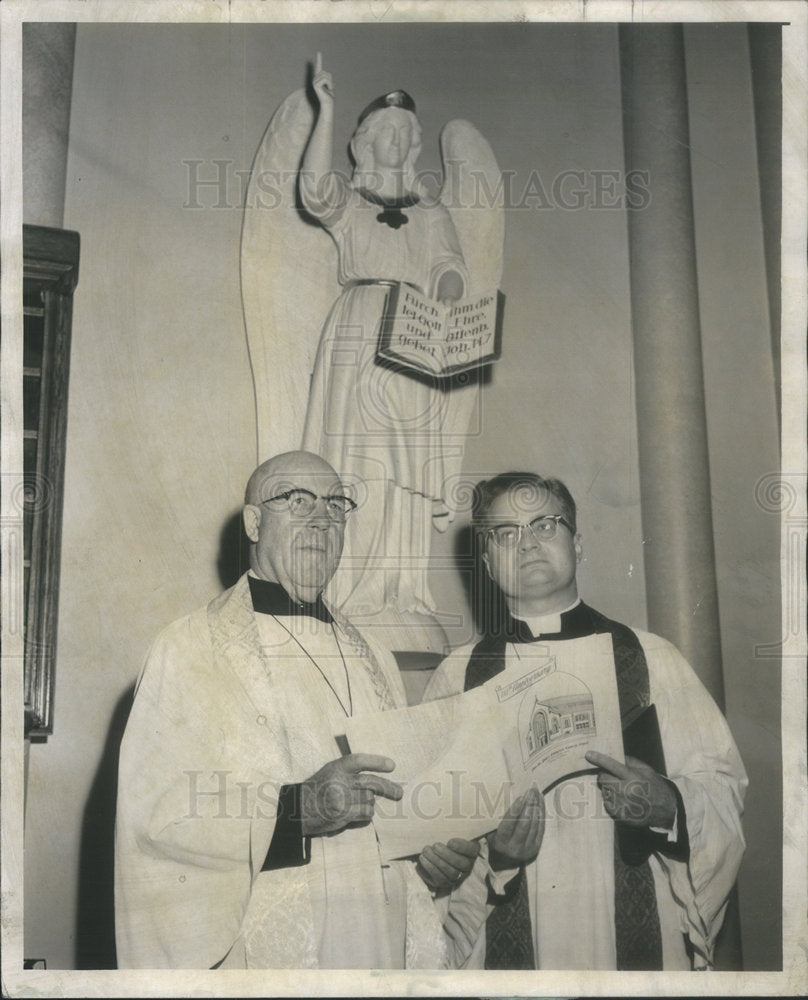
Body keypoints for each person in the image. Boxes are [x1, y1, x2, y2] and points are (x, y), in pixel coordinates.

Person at [114, 450, 483, 969]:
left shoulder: (374, 655)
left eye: (335, 504)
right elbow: (156, 823)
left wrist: (433, 861)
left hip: (379, 938)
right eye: (297, 500)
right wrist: (295, 810)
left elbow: (397, 818)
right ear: (253, 523)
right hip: (272, 943)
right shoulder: (190, 647)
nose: (321, 519)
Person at [424, 471, 748, 971]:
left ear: (577, 544)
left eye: (545, 525)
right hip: (506, 920)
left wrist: (667, 804)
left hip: (637, 920)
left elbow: (722, 788)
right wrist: (496, 855)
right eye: (506, 533)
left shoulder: (652, 657)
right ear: (487, 563)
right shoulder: (458, 675)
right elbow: (432, 831)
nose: (527, 543)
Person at [299, 55, 470, 620]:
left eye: (405, 133)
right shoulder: (351, 203)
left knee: (406, 460)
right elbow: (314, 192)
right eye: (386, 132)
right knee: (361, 451)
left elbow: (449, 265)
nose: (396, 141)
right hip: (360, 324)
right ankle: (351, 589)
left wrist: (447, 295)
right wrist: (326, 110)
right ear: (366, 142)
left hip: (414, 327)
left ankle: (402, 589)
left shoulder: (430, 211)